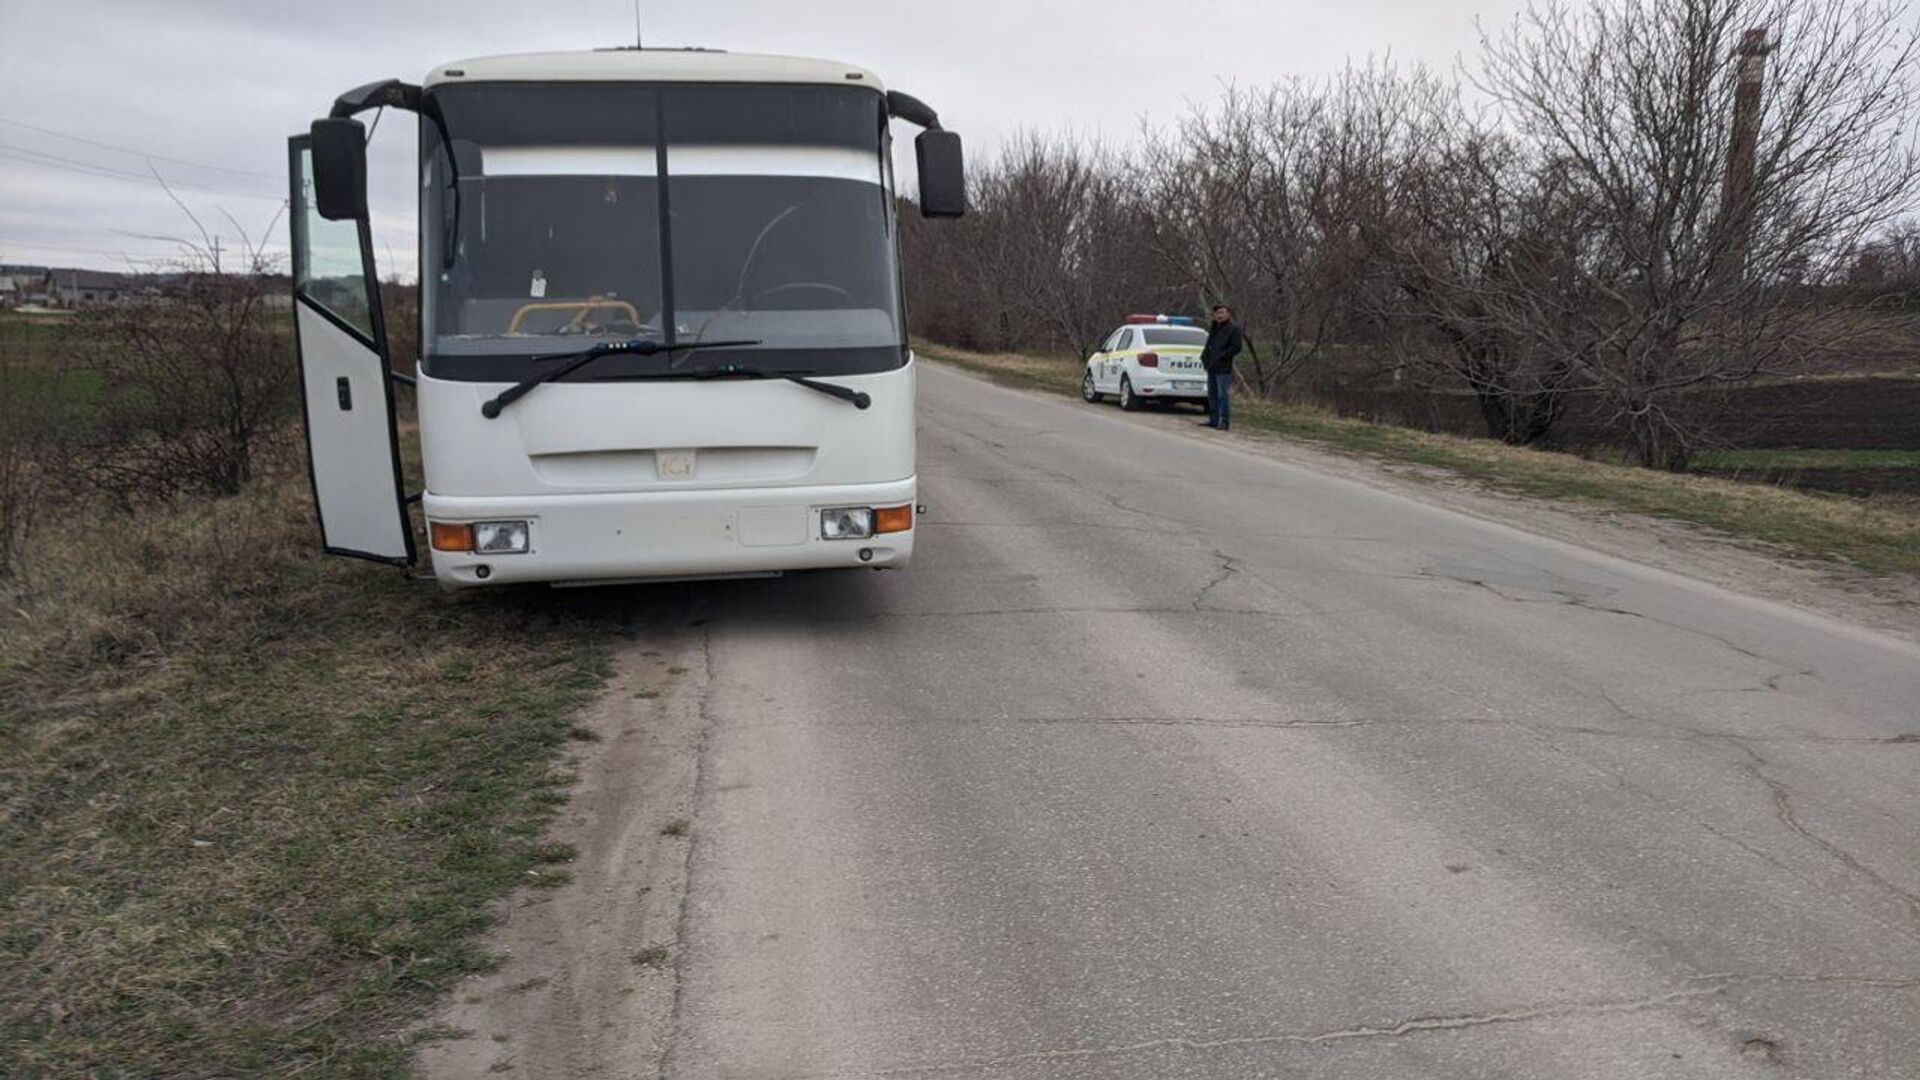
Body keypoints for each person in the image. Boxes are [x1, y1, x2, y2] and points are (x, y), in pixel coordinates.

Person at [1200, 304, 1243, 430]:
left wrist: (1221, 356)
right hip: (1212, 366)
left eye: (1222, 312)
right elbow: (1209, 345)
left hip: (1223, 368)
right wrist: (1204, 357)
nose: (1219, 315)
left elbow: (1236, 347)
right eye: (1217, 313)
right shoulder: (1214, 328)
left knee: (1222, 395)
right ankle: (1213, 420)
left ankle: (1224, 422)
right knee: (1211, 394)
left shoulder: (1234, 329)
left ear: (1228, 314)